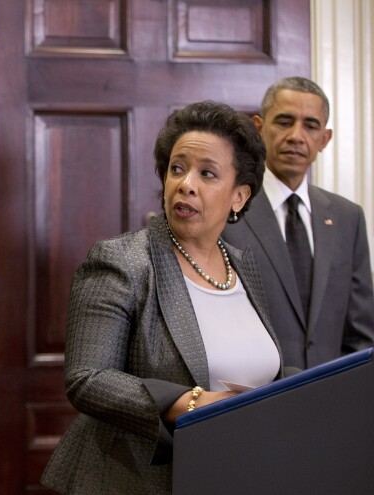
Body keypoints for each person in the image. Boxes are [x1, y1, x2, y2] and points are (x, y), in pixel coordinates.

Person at [40, 101, 284, 494]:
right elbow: (87, 379)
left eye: (207, 173)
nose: (186, 183)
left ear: (239, 196)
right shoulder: (121, 261)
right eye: (177, 168)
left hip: (233, 473)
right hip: (135, 478)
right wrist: (190, 403)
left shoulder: (243, 266)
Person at [222, 77, 374, 369]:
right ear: (259, 127)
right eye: (284, 121)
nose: (296, 135)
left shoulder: (347, 217)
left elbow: (361, 333)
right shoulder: (229, 210)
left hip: (331, 399)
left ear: (324, 139)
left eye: (310, 125)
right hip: (253, 400)